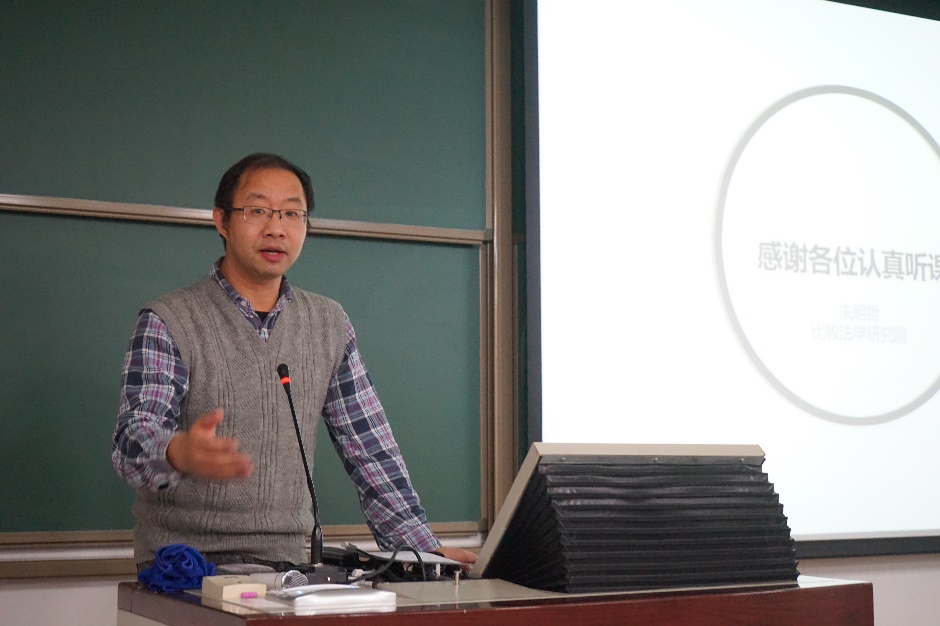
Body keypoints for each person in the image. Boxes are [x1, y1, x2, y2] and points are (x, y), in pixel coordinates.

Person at [111, 153, 476, 569]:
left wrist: (420, 550)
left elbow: (369, 446)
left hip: (285, 567)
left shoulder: (328, 322)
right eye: (258, 211)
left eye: (291, 213)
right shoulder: (170, 319)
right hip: (181, 566)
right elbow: (130, 443)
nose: (276, 228)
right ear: (222, 221)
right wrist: (178, 452)